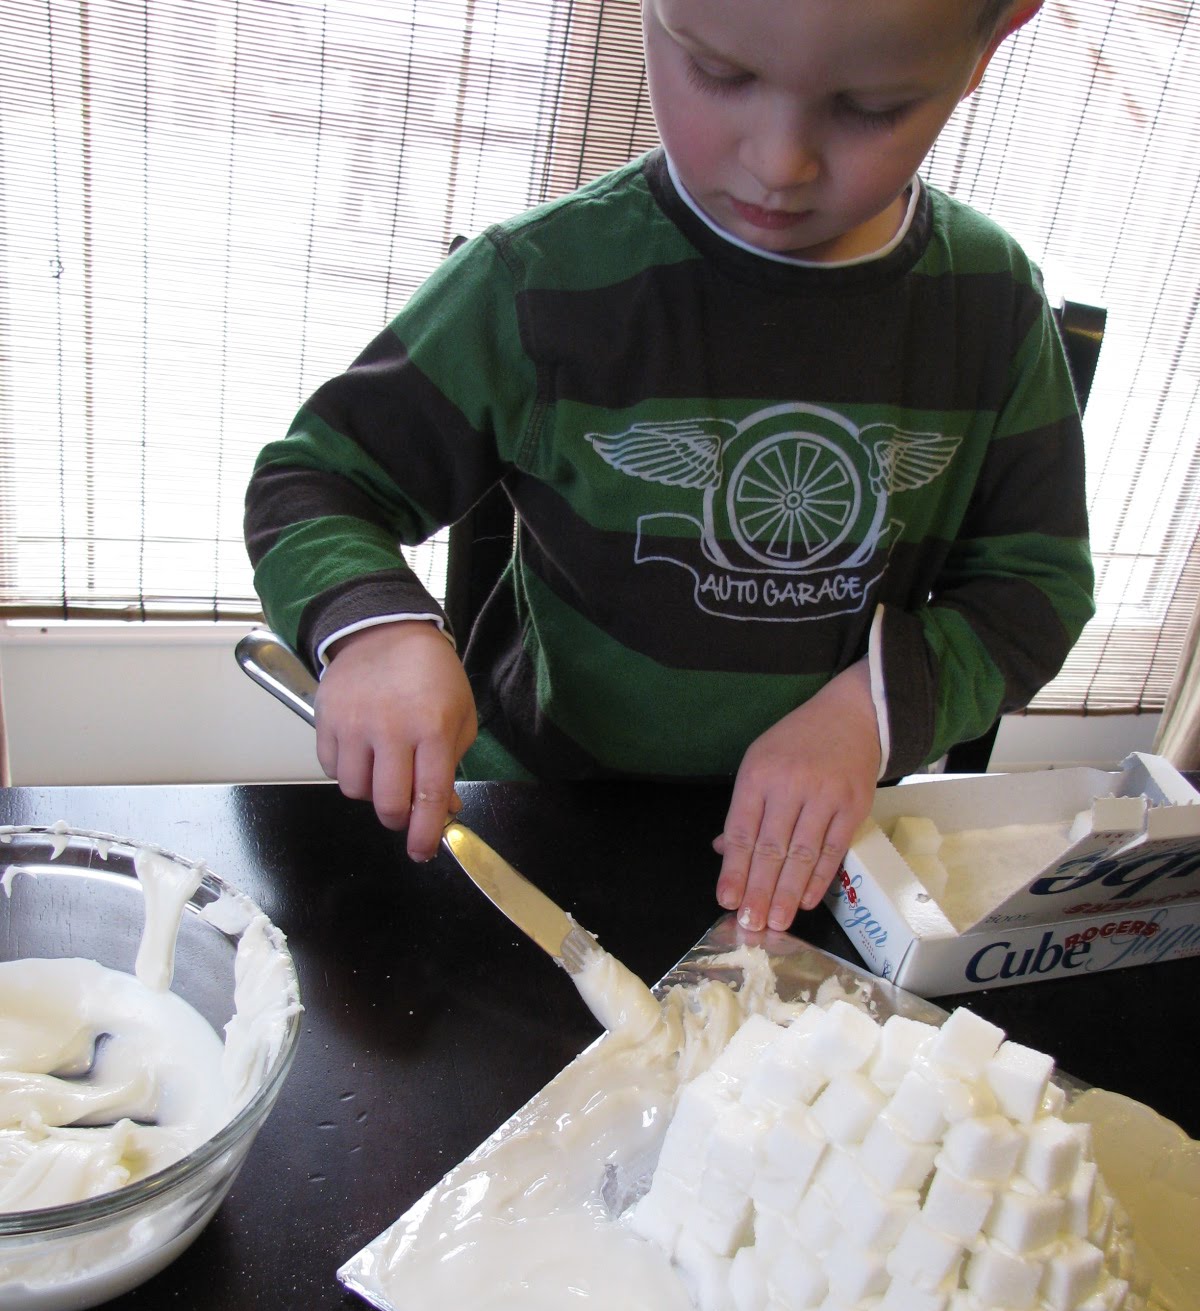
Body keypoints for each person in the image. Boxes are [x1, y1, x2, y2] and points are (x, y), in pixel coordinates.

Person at [245, 0, 1093, 936]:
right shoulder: (542, 281)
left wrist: (868, 714)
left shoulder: (992, 306)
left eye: (872, 107)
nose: (780, 162)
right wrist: (377, 631)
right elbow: (316, 483)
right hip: (542, 825)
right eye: (721, 73)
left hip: (829, 857)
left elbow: (1034, 592)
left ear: (991, 44)